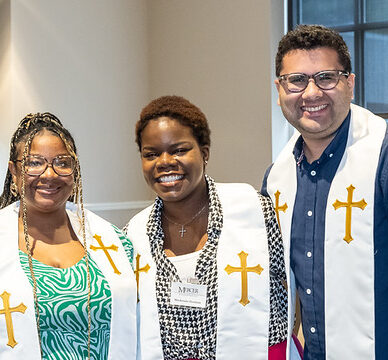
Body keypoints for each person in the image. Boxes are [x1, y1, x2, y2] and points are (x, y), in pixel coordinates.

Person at [262, 25, 388, 359]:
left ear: (350, 84)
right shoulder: (276, 179)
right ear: (280, 89)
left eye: (327, 77)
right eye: (296, 80)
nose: (311, 93)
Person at [126, 95, 300, 360]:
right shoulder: (132, 234)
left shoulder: (257, 212)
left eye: (179, 150)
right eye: (151, 154)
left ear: (204, 152)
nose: (164, 162)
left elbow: (296, 295)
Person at [0, 113, 137, 359]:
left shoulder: (115, 242)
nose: (49, 174)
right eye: (34, 162)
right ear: (14, 172)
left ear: (74, 171)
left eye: (62, 162)